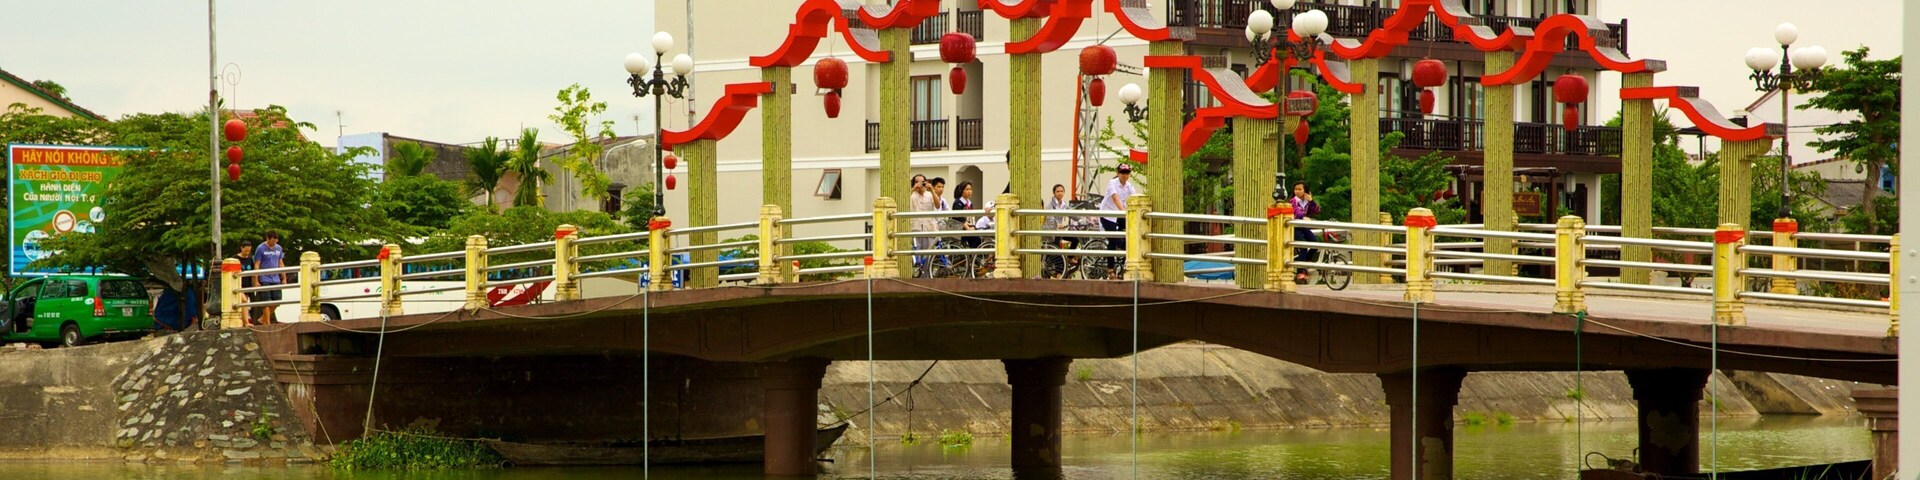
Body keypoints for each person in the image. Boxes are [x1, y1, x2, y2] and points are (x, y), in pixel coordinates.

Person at [1100, 165, 1139, 252]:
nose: (1124, 175)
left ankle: (1125, 261)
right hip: (1108, 216)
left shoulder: (1129, 186)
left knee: (1131, 237)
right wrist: (1124, 211)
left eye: (1127, 173)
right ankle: (1110, 266)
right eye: (1122, 172)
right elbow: (1115, 198)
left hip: (1119, 216)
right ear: (1118, 173)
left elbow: (1135, 199)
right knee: (1114, 240)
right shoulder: (1112, 183)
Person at [1289, 182, 1322, 283]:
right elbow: (1296, 212)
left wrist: (1311, 201)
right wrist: (1303, 217)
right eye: (1296, 189)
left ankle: (1305, 262)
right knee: (1303, 246)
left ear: (1305, 191)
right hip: (1294, 227)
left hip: (1303, 226)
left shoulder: (1306, 202)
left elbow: (1317, 211)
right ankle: (1300, 272)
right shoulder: (1293, 201)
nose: (1297, 191)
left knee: (1315, 244)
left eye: (1300, 189)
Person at [907, 175, 939, 276]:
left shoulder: (929, 194)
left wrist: (932, 190)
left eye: (923, 182)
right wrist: (913, 189)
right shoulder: (912, 195)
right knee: (917, 254)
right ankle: (916, 275)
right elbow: (904, 202)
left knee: (927, 254)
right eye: (918, 182)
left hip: (928, 228)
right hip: (916, 228)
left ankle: (927, 276)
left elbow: (938, 205)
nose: (921, 184)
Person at [254, 231, 286, 324]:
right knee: (266, 301)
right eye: (272, 241)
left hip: (275, 278)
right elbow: (257, 264)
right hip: (264, 278)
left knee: (277, 300)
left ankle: (263, 318)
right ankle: (267, 322)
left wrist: (284, 277)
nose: (274, 243)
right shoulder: (260, 248)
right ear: (268, 238)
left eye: (276, 241)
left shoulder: (278, 248)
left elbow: (280, 262)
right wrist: (256, 280)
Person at [234, 243, 260, 325]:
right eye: (245, 250)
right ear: (241, 248)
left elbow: (253, 272)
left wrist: (255, 281)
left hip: (247, 284)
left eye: (249, 251)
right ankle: (245, 322)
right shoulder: (235, 259)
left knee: (245, 303)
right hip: (238, 284)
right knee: (244, 301)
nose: (247, 252)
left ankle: (244, 321)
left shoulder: (249, 259)